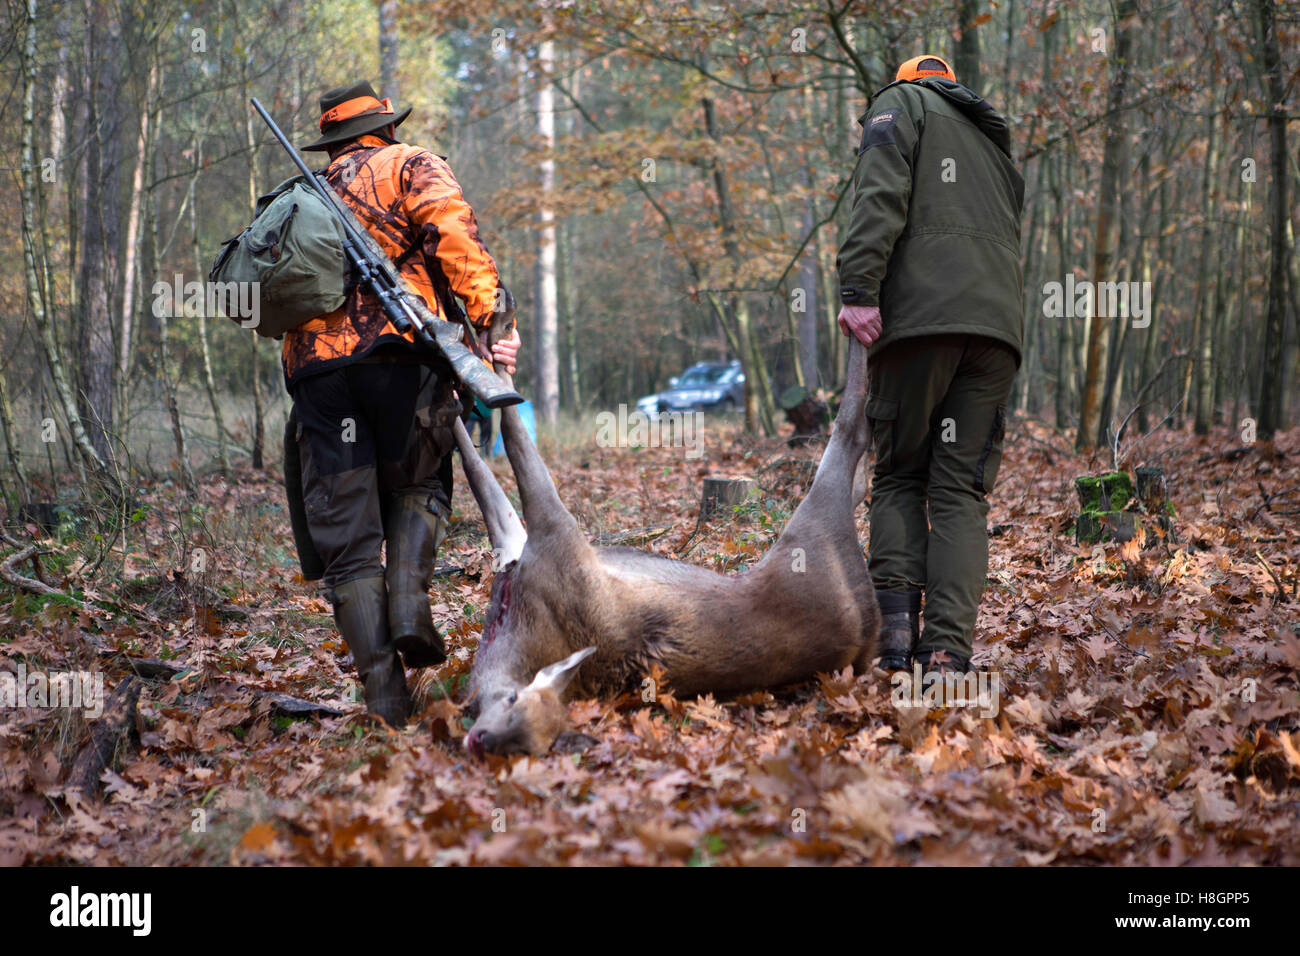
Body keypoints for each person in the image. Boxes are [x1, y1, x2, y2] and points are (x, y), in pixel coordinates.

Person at [284, 81, 520, 727]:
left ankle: (383, 692)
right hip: (400, 355)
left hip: (317, 376)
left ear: (331, 140)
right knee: (420, 480)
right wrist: (493, 320)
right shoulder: (412, 163)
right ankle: (411, 603)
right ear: (385, 127)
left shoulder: (303, 193)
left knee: (348, 536)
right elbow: (455, 239)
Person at [835, 55, 1025, 675]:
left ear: (910, 81)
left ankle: (892, 641)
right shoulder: (994, 146)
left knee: (899, 477)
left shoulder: (901, 103)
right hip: (996, 332)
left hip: (919, 324)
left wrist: (858, 289)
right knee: (961, 493)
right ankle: (946, 652)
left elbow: (879, 193)